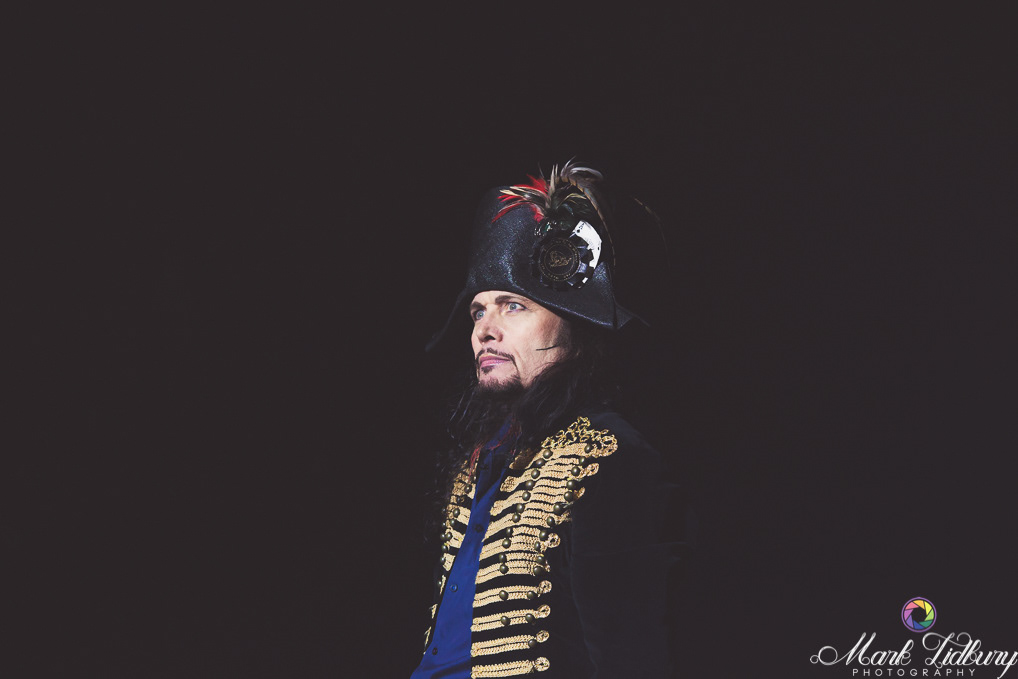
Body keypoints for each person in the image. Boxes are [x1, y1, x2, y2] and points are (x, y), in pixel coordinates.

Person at [413, 162, 682, 678]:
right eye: (477, 311)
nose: (484, 330)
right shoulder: (482, 463)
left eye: (513, 306)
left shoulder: (609, 455)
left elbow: (632, 657)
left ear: (574, 326)